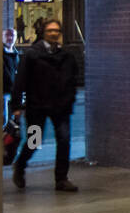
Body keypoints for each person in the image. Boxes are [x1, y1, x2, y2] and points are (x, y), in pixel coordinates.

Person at [9, 19, 79, 192]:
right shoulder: (32, 55)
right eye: (50, 31)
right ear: (44, 33)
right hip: (37, 107)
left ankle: (61, 178)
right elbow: (20, 81)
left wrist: (69, 98)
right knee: (34, 141)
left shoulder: (67, 56)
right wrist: (16, 106)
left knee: (64, 140)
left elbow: (72, 80)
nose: (54, 33)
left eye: (57, 30)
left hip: (60, 107)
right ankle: (20, 165)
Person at [2, 27, 21, 117]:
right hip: (3, 94)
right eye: (7, 35)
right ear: (2, 37)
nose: (10, 38)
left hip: (13, 94)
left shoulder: (16, 54)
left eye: (12, 35)